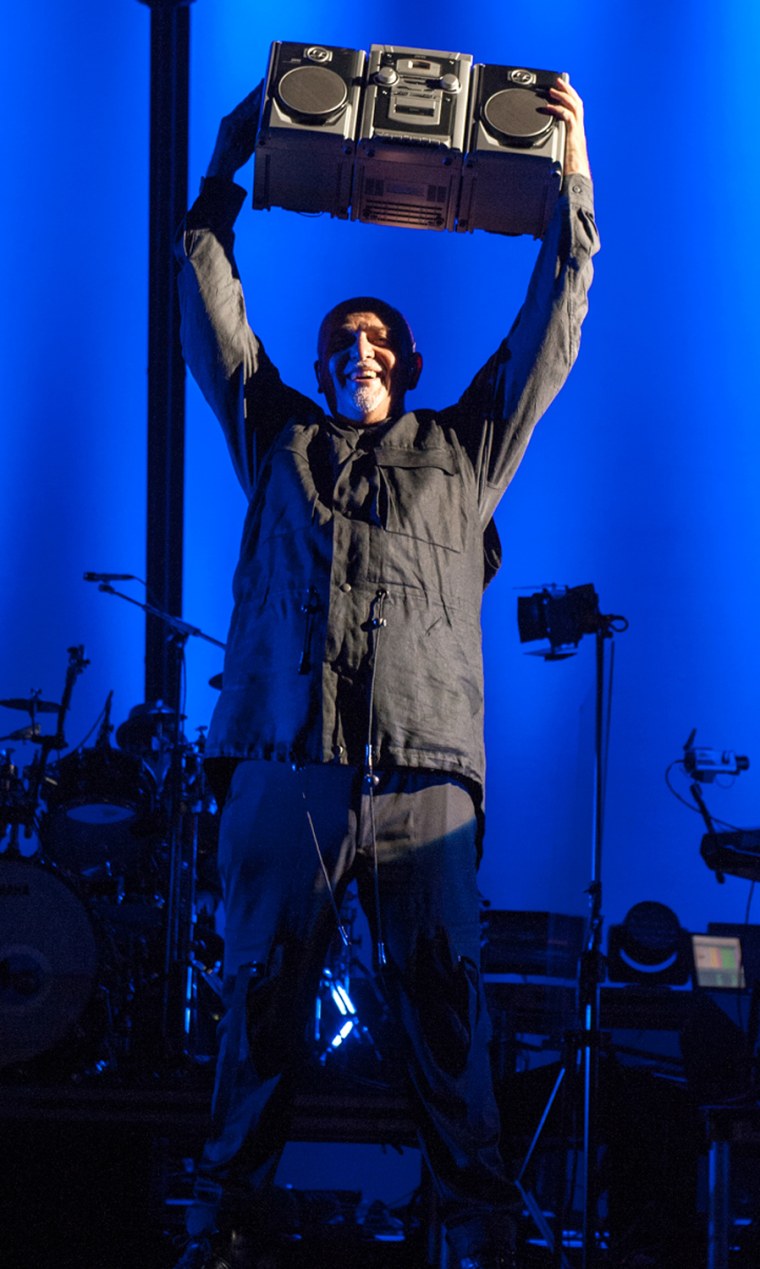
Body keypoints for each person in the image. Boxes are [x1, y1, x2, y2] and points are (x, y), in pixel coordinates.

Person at [173, 73, 598, 1269]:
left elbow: (552, 321)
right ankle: (224, 1226)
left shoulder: (464, 452)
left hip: (422, 771)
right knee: (257, 997)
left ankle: (477, 1229)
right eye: (335, 341)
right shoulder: (279, 442)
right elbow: (210, 307)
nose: (354, 349)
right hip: (283, 759)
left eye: (374, 339)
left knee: (442, 1006)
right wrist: (224, 166)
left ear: (405, 362)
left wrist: (572, 166)